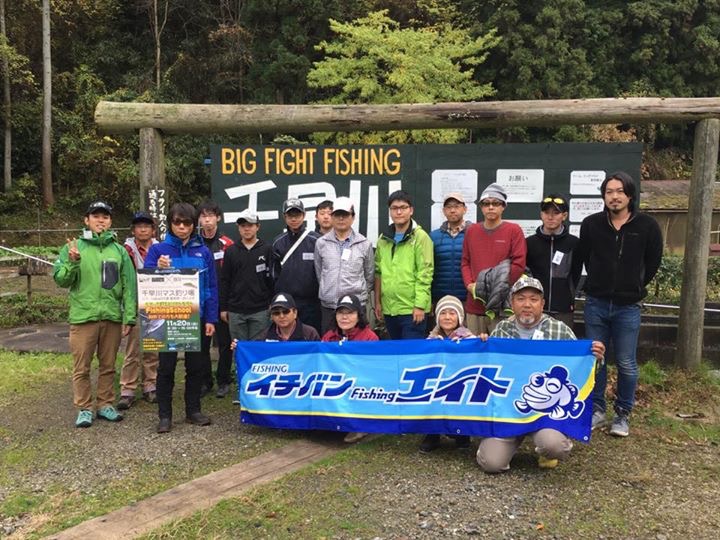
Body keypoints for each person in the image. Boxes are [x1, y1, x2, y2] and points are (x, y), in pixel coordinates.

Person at [475, 276, 605, 472]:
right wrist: (481, 347)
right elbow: (486, 370)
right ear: (512, 303)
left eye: (533, 299)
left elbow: (580, 371)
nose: (527, 304)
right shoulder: (502, 330)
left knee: (554, 446)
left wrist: (595, 358)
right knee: (490, 463)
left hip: (545, 413)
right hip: (509, 411)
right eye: (521, 299)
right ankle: (507, 443)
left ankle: (546, 448)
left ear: (542, 304)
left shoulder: (559, 330)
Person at [573, 171, 663, 437]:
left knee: (626, 362)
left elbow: (653, 261)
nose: (614, 196)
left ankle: (622, 414)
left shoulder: (647, 226)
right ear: (604, 196)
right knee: (596, 360)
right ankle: (597, 409)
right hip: (596, 302)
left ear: (630, 195)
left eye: (619, 191)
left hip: (628, 306)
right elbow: (585, 258)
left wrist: (633, 284)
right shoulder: (591, 224)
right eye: (609, 191)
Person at [53, 201, 136, 428]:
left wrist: (129, 316)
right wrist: (72, 262)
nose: (101, 220)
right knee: (82, 367)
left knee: (108, 364)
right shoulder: (74, 247)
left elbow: (129, 285)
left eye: (106, 217)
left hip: (111, 316)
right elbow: (61, 279)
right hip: (83, 317)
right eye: (96, 216)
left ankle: (105, 404)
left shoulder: (119, 251)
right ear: (86, 220)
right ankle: (84, 408)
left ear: (110, 222)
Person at [145, 203, 219, 433]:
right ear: (170, 223)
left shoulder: (203, 251)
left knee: (195, 366)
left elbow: (212, 287)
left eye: (187, 222)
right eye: (177, 222)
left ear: (193, 224)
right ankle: (165, 416)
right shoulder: (158, 250)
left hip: (196, 317)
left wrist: (210, 319)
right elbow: (146, 281)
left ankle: (193, 410)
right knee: (166, 367)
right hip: (166, 317)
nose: (182, 227)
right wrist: (158, 268)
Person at [461, 183, 526, 335]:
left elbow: (518, 264)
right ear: (481, 207)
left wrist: (497, 289)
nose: (491, 207)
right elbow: (465, 261)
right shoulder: (472, 231)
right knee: (474, 352)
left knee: (501, 352)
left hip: (502, 306)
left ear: (503, 206)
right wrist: (470, 285)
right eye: (486, 203)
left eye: (495, 203)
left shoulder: (513, 230)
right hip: (475, 305)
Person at [374, 190, 434, 339]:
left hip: (412, 310)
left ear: (411, 210)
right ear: (390, 211)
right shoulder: (384, 239)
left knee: (411, 357)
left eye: (403, 207)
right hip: (390, 310)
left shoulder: (420, 237)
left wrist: (420, 305)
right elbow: (378, 272)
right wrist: (378, 302)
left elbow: (425, 273)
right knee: (396, 355)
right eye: (394, 208)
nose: (399, 212)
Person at [420, 294, 475, 453]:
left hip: (459, 382)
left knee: (460, 404)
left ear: (459, 317)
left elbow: (478, 355)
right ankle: (432, 434)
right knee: (431, 401)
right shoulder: (431, 338)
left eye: (452, 313)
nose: (447, 317)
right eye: (443, 313)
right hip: (437, 383)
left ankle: (461, 434)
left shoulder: (468, 337)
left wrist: (482, 341)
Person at [321, 294, 378, 443]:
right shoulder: (329, 336)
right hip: (335, 381)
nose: (344, 317)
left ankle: (360, 426)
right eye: (341, 313)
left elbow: (374, 371)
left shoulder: (370, 338)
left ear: (359, 316)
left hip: (360, 383)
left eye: (350, 313)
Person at [314, 196, 375, 334]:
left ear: (353, 217)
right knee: (330, 347)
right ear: (332, 217)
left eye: (345, 215)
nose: (341, 219)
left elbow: (369, 276)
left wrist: (359, 294)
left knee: (357, 347)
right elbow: (320, 272)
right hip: (329, 306)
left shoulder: (364, 244)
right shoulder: (321, 243)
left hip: (356, 307)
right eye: (337, 215)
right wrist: (327, 288)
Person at [118, 211, 159, 410]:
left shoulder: (160, 248)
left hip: (155, 302)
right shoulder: (125, 250)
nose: (143, 229)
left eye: (147, 226)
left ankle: (150, 384)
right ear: (133, 230)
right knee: (132, 349)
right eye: (139, 226)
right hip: (134, 303)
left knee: (152, 347)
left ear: (153, 229)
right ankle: (127, 389)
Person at [525, 194, 580, 329]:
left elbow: (576, 273)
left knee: (562, 348)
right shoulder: (529, 242)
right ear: (541, 215)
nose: (550, 217)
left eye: (556, 213)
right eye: (546, 212)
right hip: (535, 308)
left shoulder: (574, 243)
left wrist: (569, 297)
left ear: (564, 216)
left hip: (563, 309)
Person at [197, 200, 234, 398]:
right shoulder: (194, 243)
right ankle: (205, 381)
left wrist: (226, 305)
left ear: (218, 218)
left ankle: (223, 379)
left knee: (225, 344)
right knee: (202, 344)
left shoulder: (227, 244)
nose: (207, 220)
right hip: (200, 303)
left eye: (211, 216)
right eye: (203, 216)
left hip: (222, 303)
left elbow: (231, 277)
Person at [220, 210, 273, 345]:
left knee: (258, 349)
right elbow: (225, 280)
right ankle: (240, 368)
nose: (247, 228)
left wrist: (272, 303)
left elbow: (272, 279)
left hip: (261, 310)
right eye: (243, 225)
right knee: (238, 348)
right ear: (238, 228)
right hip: (236, 310)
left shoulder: (267, 249)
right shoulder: (231, 251)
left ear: (257, 227)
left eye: (250, 225)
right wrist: (223, 308)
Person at [272, 198, 321, 333]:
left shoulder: (316, 240)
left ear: (304, 215)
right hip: (286, 306)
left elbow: (322, 272)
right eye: (290, 215)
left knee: (310, 339)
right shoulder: (278, 242)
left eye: (297, 215)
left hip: (312, 304)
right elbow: (273, 275)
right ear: (284, 217)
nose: (294, 219)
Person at [430, 193, 472, 305]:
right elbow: (428, 269)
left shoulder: (474, 234)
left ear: (465, 209)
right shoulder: (434, 236)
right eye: (449, 207)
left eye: (457, 206)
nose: (452, 210)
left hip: (468, 298)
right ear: (444, 211)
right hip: (440, 299)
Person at [255, 292, 320, 342]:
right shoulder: (264, 336)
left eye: (286, 312)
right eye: (276, 313)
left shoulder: (310, 334)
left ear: (295, 313)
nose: (281, 316)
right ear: (272, 316)